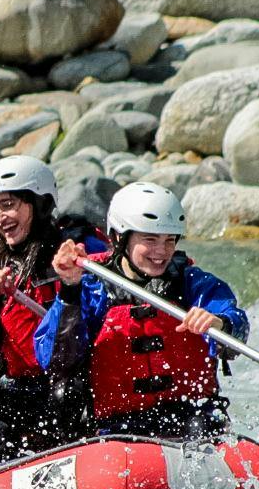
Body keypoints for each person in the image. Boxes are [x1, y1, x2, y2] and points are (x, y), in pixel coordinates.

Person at [49, 183, 248, 440]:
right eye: (150, 240)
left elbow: (236, 325)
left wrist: (220, 324)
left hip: (192, 414)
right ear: (120, 238)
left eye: (168, 240)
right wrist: (69, 290)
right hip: (118, 425)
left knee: (203, 428)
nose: (162, 251)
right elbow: (55, 358)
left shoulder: (193, 283)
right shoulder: (90, 285)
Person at [0, 156, 106, 439]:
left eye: (8, 205)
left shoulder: (82, 250)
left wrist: (74, 279)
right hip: (22, 390)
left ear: (40, 203)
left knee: (66, 392)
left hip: (79, 386)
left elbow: (100, 317)